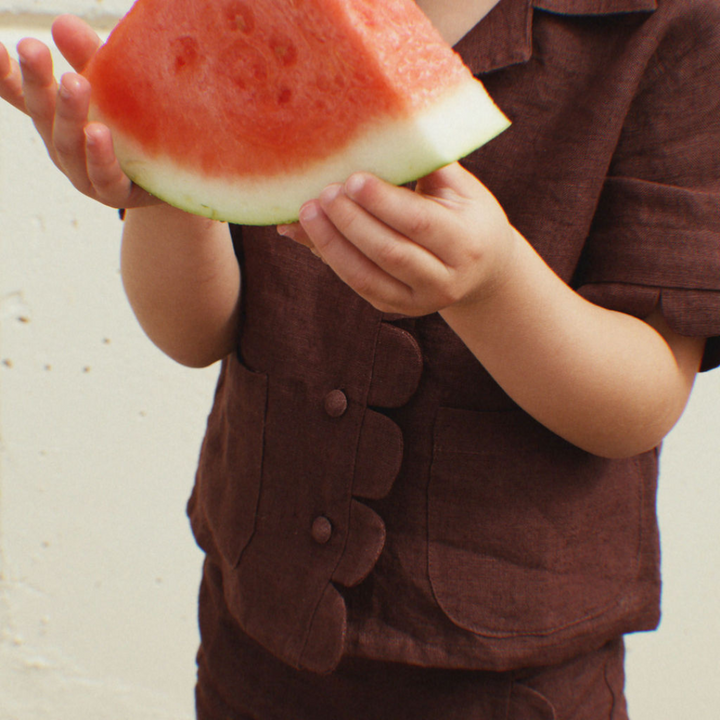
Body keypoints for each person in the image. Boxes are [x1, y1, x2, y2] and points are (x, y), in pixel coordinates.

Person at [2, 1, 719, 718]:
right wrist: (163, 183)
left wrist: (494, 286)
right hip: (255, 648)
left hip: (511, 687)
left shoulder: (669, 24)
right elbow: (196, 335)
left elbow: (645, 401)